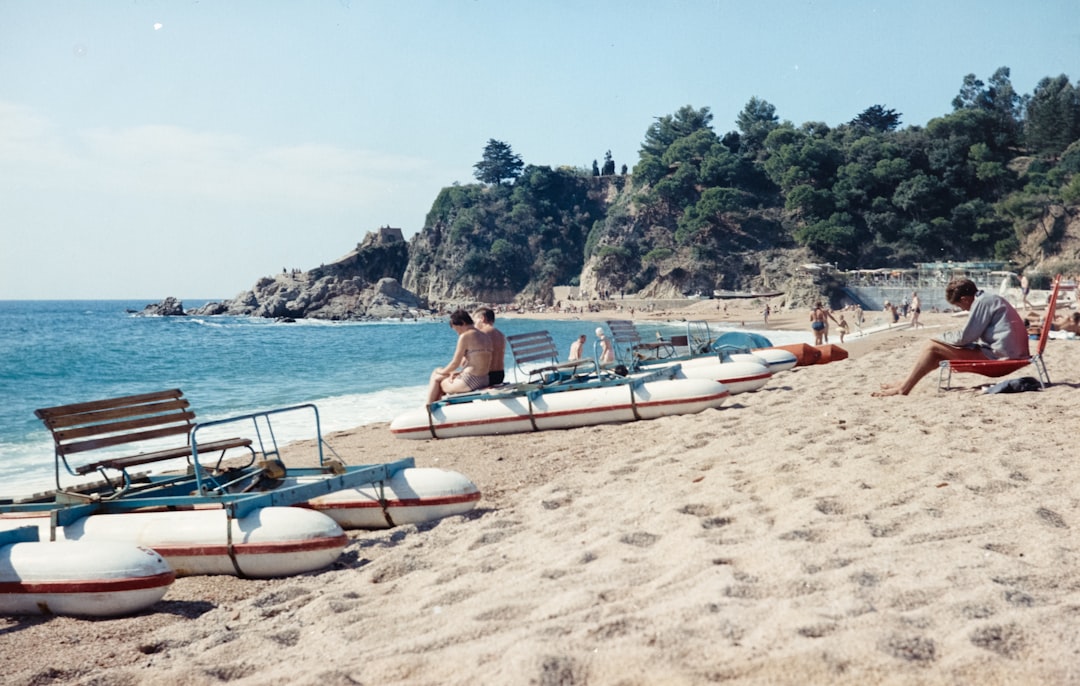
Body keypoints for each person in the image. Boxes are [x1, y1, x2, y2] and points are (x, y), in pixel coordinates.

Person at [873, 278, 1028, 397]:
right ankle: (906, 382)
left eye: (960, 307)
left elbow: (966, 337)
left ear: (965, 299)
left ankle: (903, 388)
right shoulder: (989, 299)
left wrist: (939, 338)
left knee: (931, 346)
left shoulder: (982, 303)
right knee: (935, 354)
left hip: (1002, 360)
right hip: (1012, 355)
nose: (964, 309)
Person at [427, 309, 492, 403]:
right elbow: (475, 362)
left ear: (463, 323)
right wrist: (456, 373)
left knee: (436, 377)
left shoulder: (465, 336)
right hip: (484, 379)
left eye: (457, 329)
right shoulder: (485, 336)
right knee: (444, 375)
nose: (458, 333)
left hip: (470, 381)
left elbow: (455, 363)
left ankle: (429, 408)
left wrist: (441, 371)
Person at [474, 307, 506, 386]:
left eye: (474, 322)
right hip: (500, 376)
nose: (474, 325)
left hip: (486, 378)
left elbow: (464, 363)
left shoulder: (481, 334)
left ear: (482, 318)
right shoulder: (501, 335)